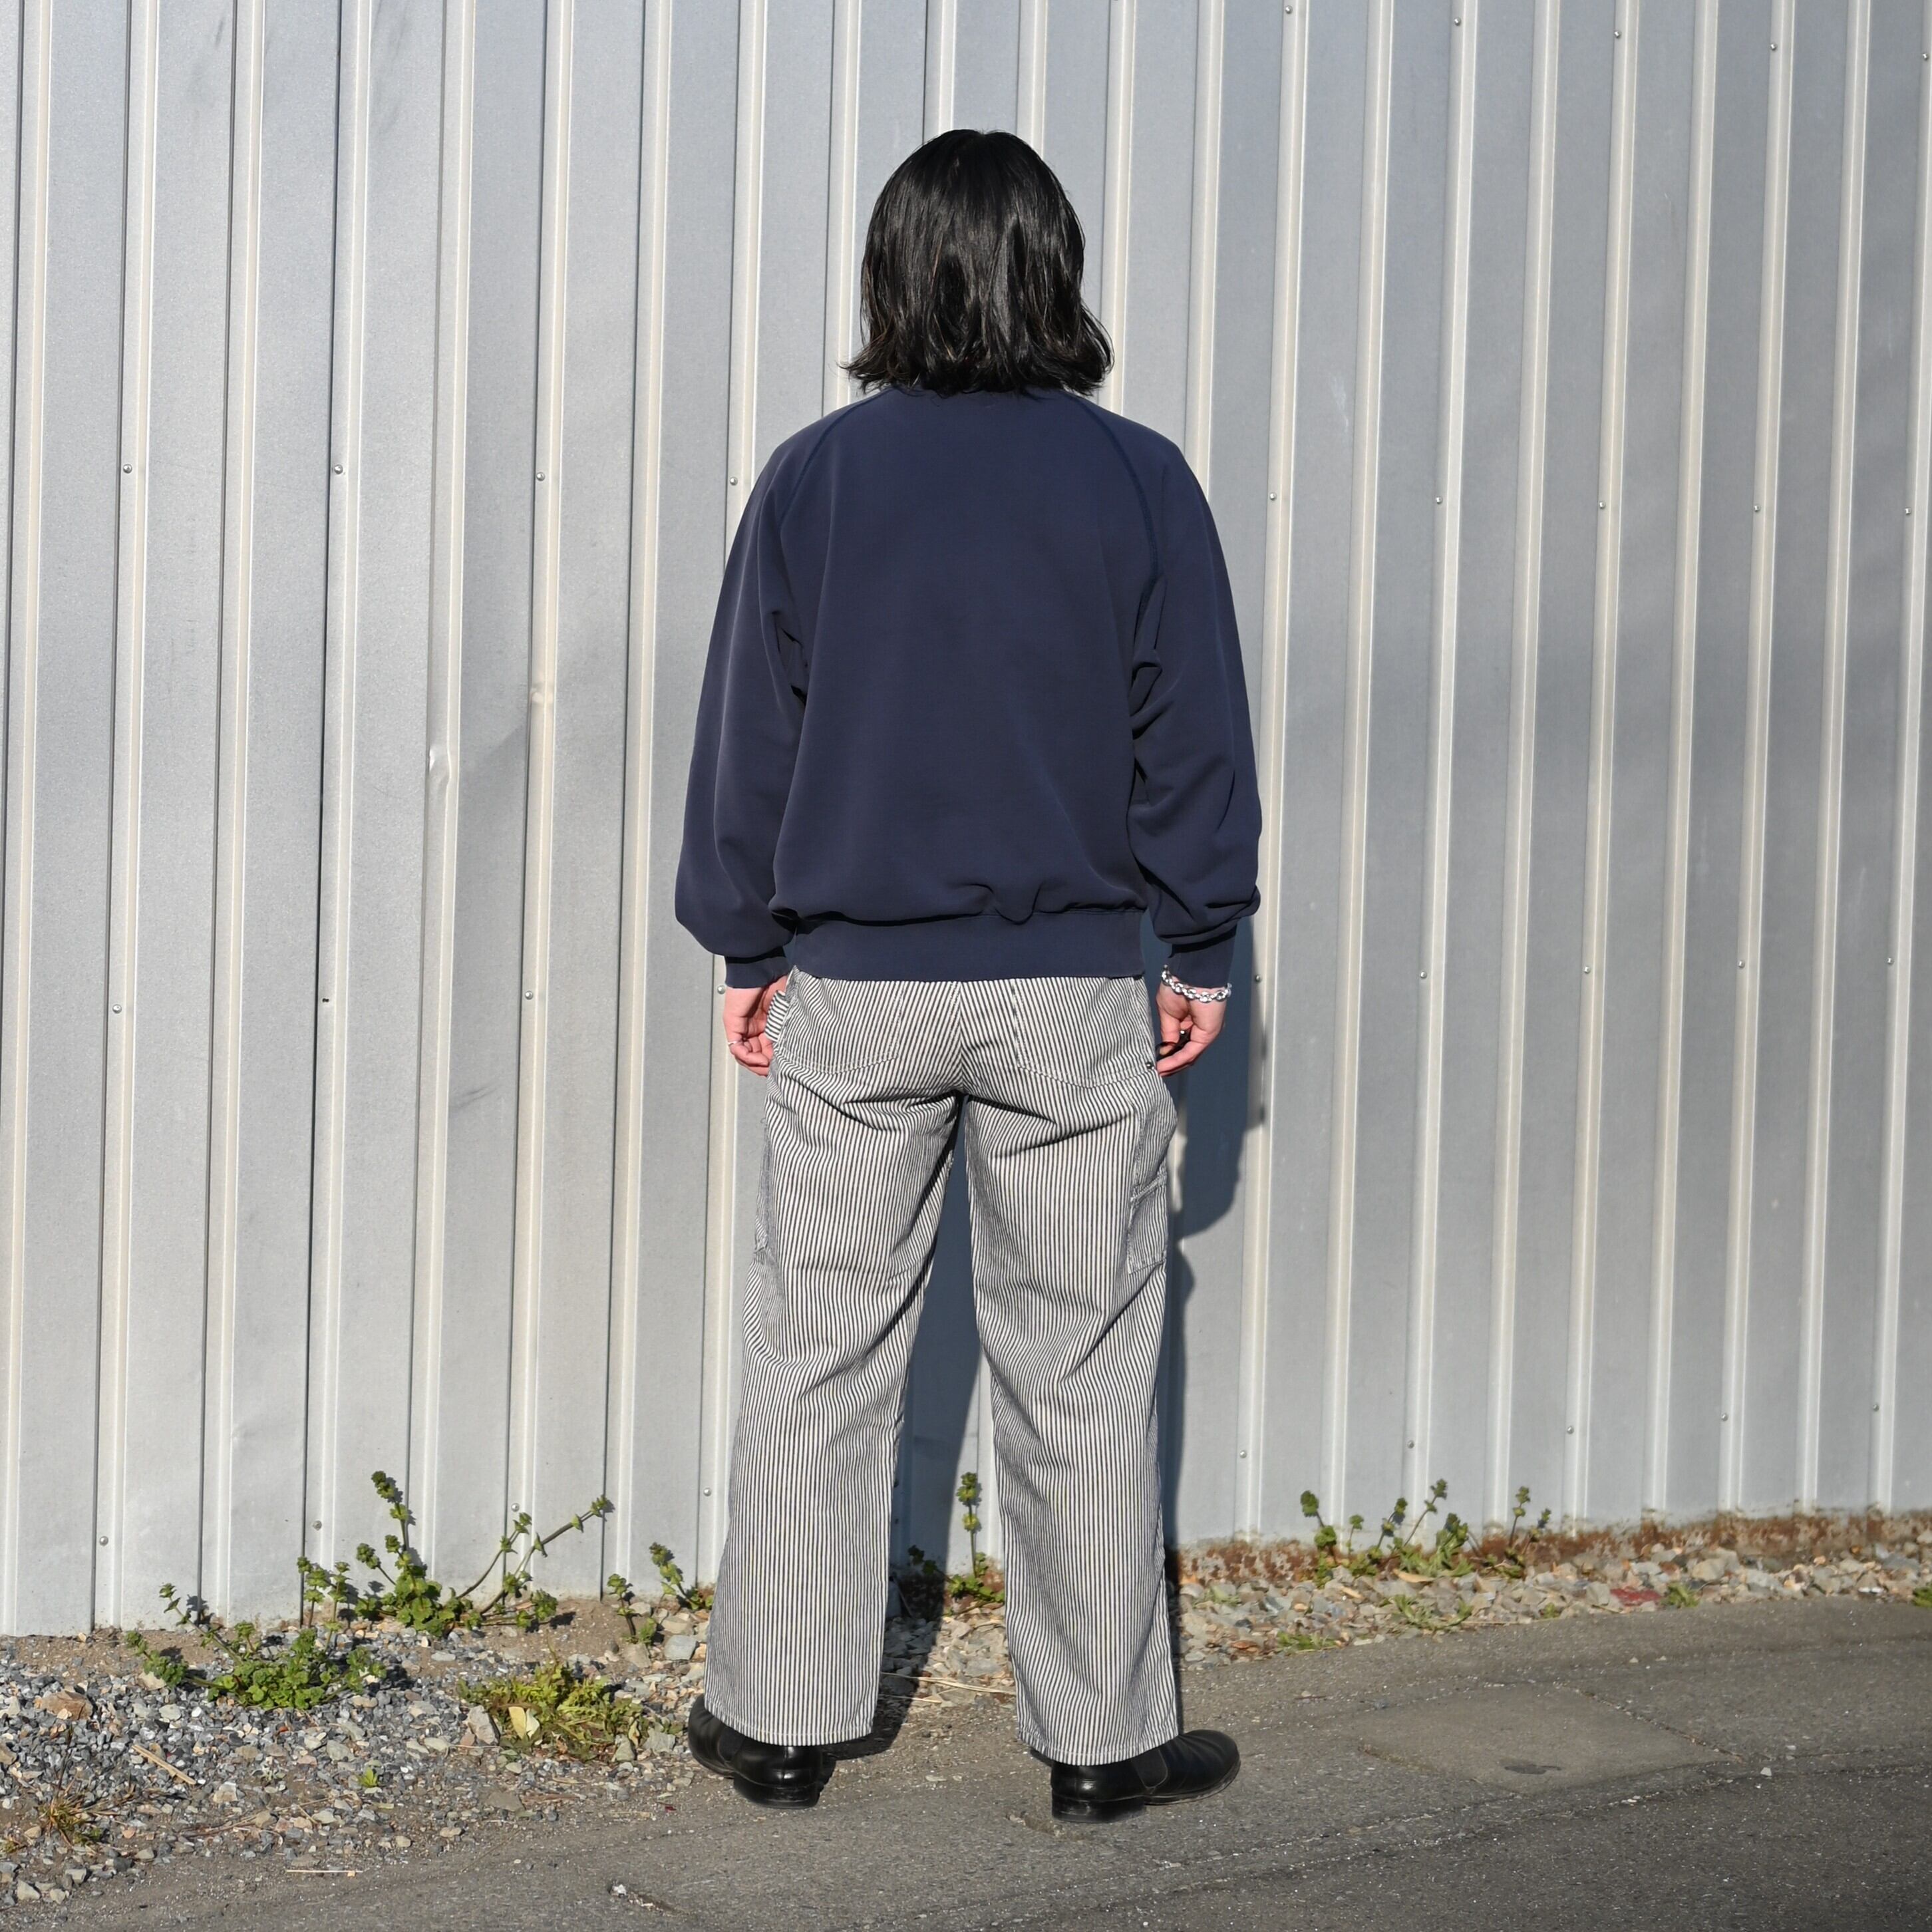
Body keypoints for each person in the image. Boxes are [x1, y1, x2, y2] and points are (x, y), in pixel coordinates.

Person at [674, 128, 1261, 1822]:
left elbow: (753, 730)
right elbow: (1190, 734)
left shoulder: (816, 478)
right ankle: (1104, 1747)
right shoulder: (1140, 480)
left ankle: (780, 1729)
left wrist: (749, 941)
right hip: (1069, 992)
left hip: (858, 995)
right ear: (1053, 270)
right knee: (1080, 1366)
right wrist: (1201, 938)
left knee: (820, 1358)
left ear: (893, 274)